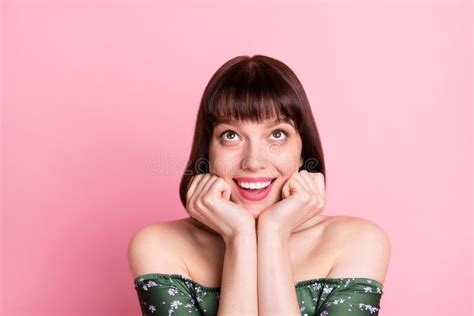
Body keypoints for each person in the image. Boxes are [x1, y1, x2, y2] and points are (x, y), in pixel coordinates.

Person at [128, 55, 391, 315]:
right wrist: (239, 236)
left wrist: (273, 232)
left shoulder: (358, 242)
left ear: (302, 150)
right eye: (231, 136)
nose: (253, 161)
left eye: (277, 135)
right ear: (207, 151)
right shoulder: (159, 245)